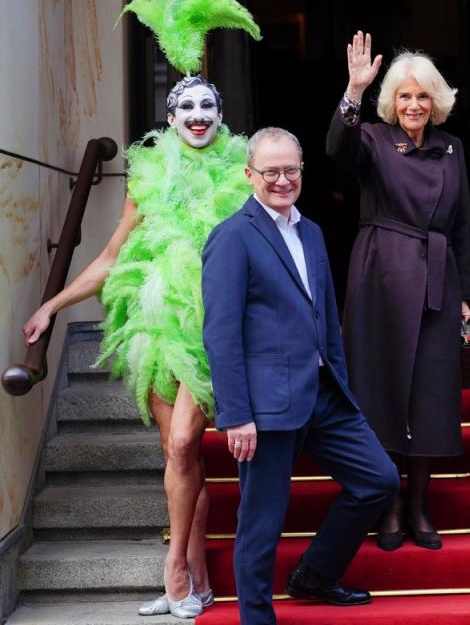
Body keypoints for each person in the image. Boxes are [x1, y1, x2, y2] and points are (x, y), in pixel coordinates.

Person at [22, 74, 248, 617]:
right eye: (186, 107)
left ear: (220, 117)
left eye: (207, 107)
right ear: (170, 119)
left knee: (181, 446)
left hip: (209, 327)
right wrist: (53, 306)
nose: (197, 115)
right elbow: (109, 258)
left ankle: (172, 572)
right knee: (181, 452)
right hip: (153, 326)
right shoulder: (146, 182)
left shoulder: (241, 177)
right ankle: (196, 579)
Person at [202, 127, 399, 624]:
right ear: (250, 175)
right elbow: (220, 334)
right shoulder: (231, 237)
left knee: (378, 480)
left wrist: (341, 382)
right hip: (266, 406)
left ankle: (314, 575)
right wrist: (235, 414)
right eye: (271, 171)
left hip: (323, 394)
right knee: (261, 523)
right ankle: (256, 618)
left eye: (292, 170)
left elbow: (325, 315)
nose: (283, 180)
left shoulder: (310, 231)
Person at [326, 32, 470, 551]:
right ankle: (387, 506)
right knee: (382, 389)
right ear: (391, 101)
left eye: (423, 96)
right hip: (381, 276)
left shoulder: (452, 148)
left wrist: (466, 291)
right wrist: (353, 90)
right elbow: (335, 149)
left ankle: (418, 507)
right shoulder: (369, 136)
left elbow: (462, 223)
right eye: (405, 96)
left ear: (437, 102)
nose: (414, 105)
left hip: (437, 278)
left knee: (430, 395)